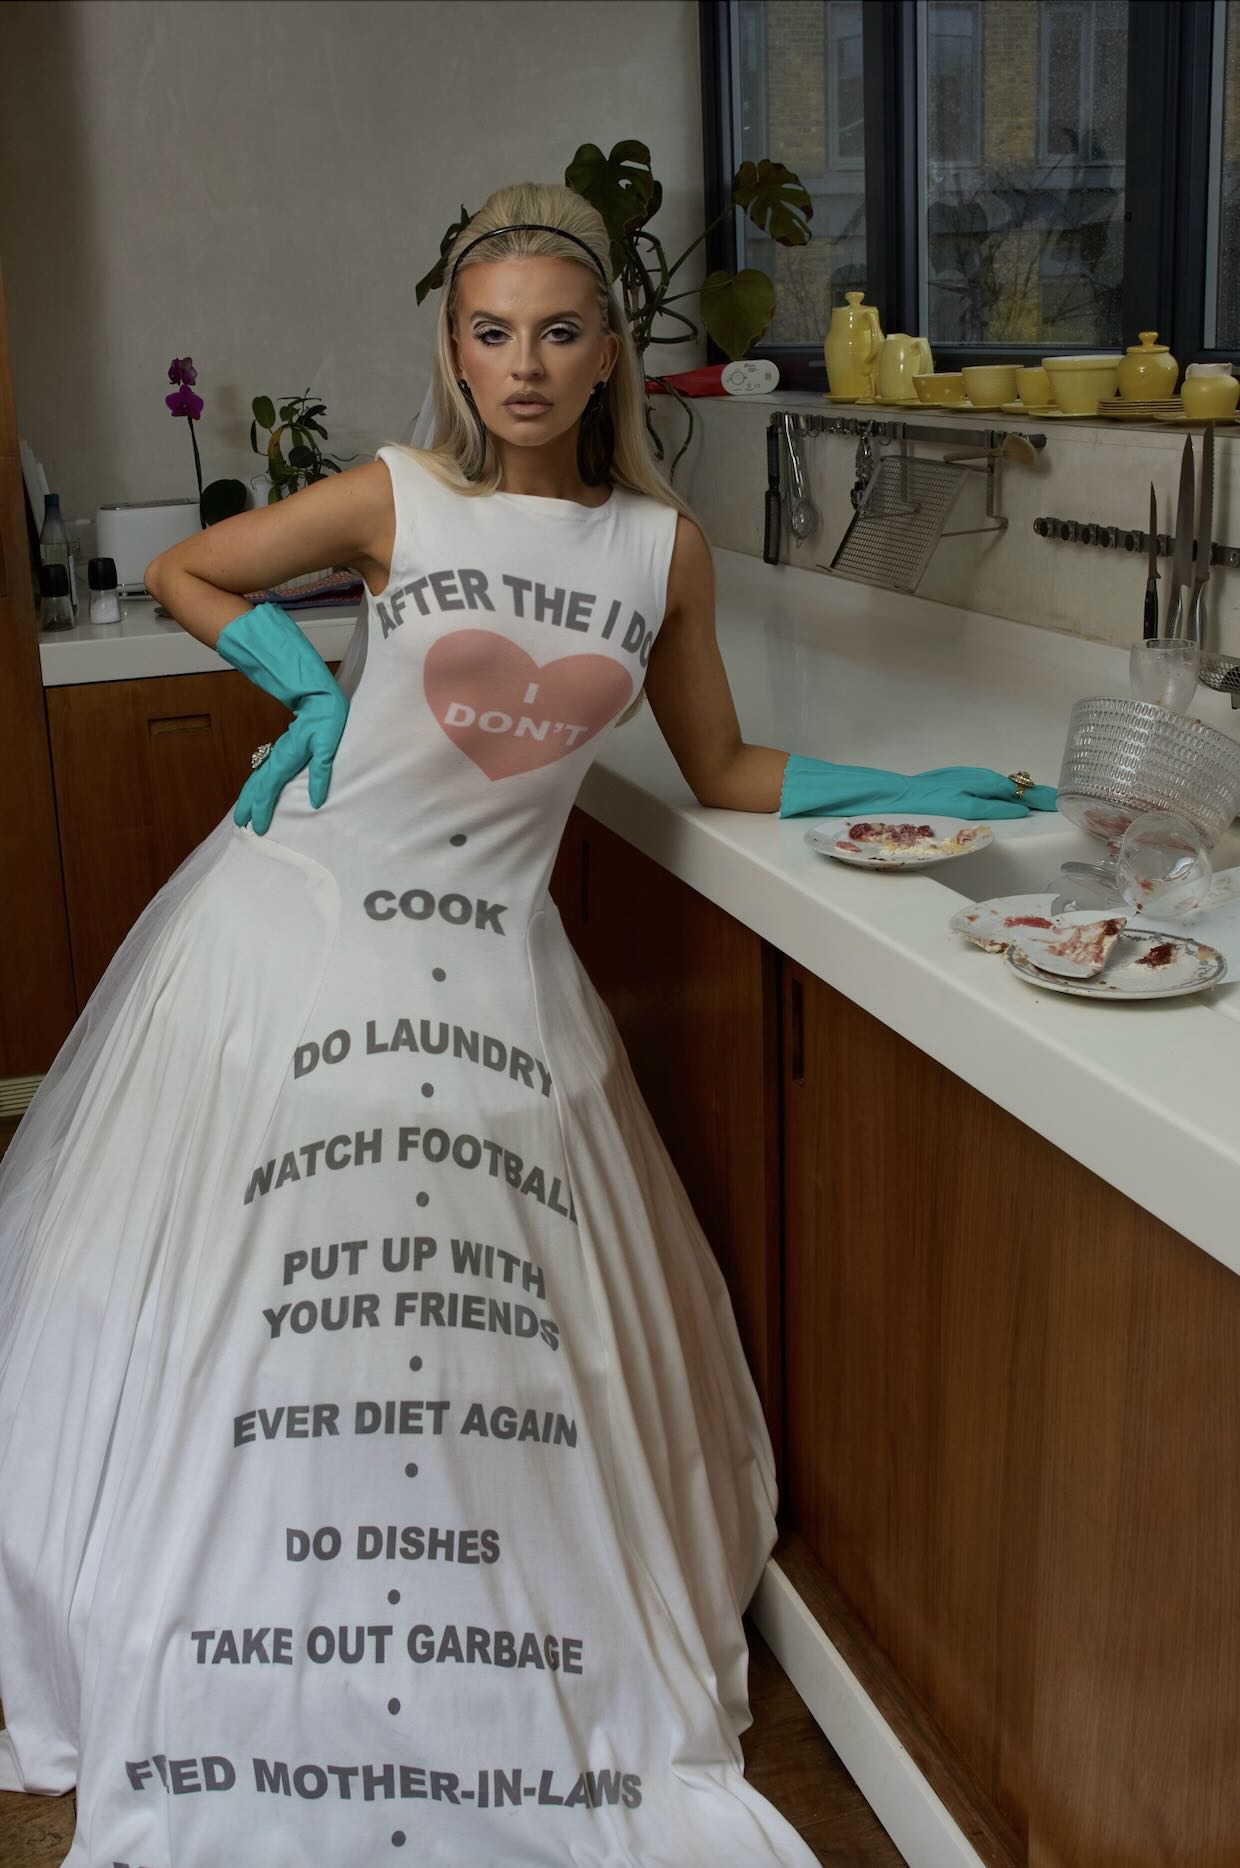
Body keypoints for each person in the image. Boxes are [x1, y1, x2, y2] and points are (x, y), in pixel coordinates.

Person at [0, 178, 1053, 1865]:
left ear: (607, 356)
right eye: (492, 334)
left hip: (495, 966)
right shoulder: (393, 498)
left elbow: (721, 768)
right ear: (454, 349)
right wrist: (304, 678)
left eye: (560, 333)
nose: (525, 365)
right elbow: (196, 571)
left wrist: (907, 778)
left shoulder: (662, 552)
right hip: (299, 928)